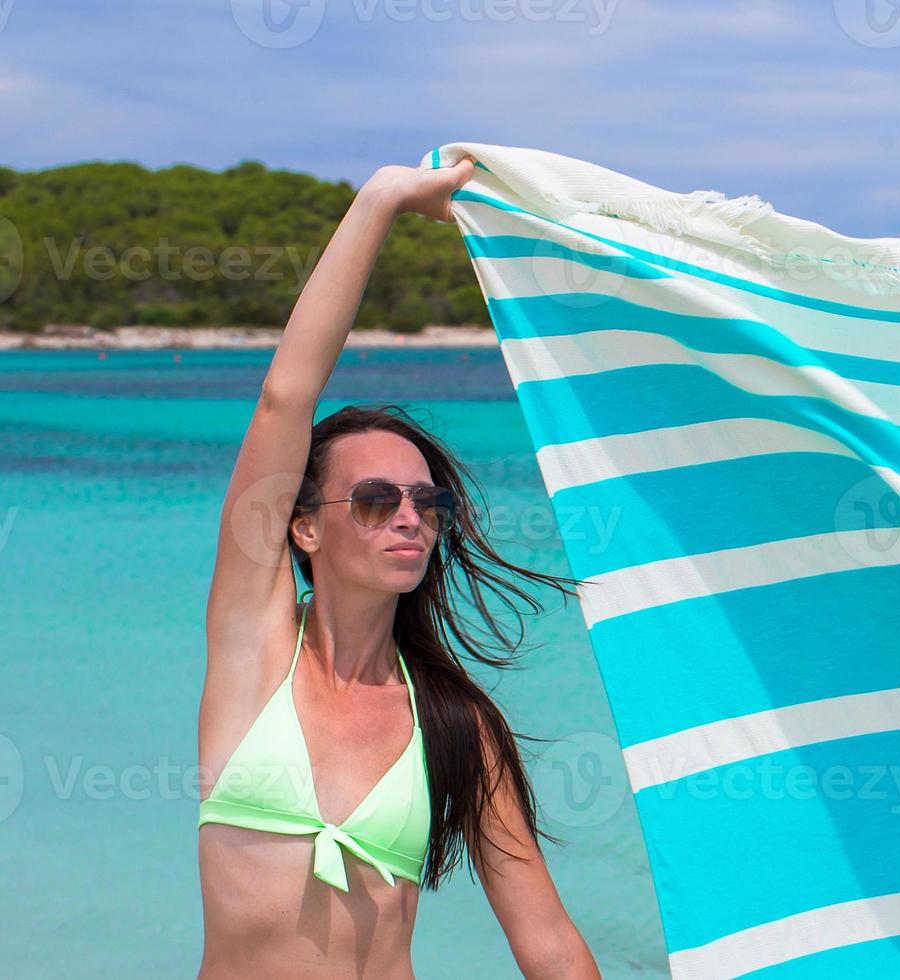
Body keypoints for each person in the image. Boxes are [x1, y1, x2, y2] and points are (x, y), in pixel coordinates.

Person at [194, 157, 601, 978]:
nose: (410, 516)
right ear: (303, 527)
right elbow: (286, 396)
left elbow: (547, 941)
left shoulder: (455, 723)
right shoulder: (254, 653)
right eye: (377, 500)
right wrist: (380, 200)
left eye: (426, 501)